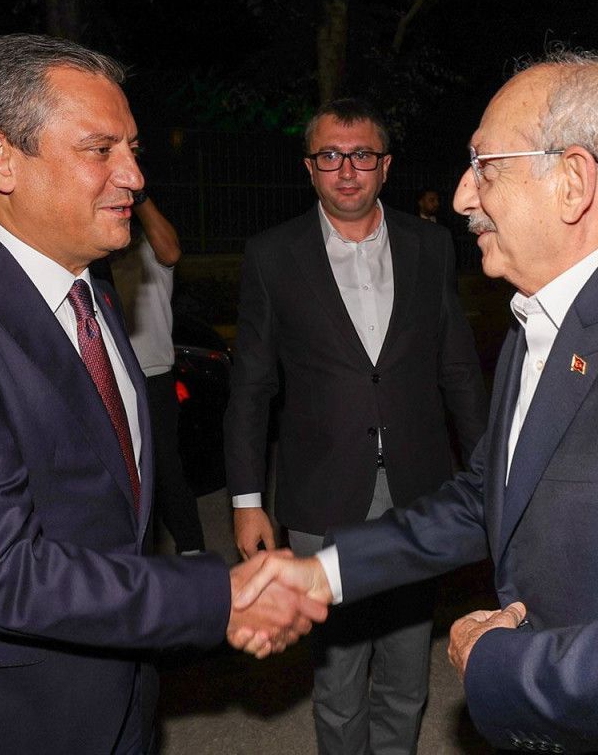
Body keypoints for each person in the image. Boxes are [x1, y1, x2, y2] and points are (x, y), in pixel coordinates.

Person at [237, 50, 598, 754]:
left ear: (572, 182)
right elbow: (488, 497)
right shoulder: (538, 319)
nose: (461, 197)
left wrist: (498, 662)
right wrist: (322, 573)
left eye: (485, 166)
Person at [0, 34, 324, 755]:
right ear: (0, 158)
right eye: (100, 150)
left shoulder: (88, 288)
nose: (134, 176)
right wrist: (217, 597)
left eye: (133, 149)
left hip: (116, 688)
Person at [224, 98, 488, 753]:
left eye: (362, 154)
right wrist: (247, 500)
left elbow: (459, 371)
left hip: (419, 488)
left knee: (405, 668)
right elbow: (251, 386)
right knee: (338, 676)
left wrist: (491, 476)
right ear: (309, 168)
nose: (347, 170)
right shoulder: (273, 254)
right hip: (322, 491)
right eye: (330, 156)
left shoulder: (429, 246)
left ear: (385, 165)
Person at [110, 189, 206, 554]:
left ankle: (193, 553)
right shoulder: (98, 252)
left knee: (164, 469)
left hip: (153, 377)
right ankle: (135, 561)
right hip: (110, 375)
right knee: (122, 474)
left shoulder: (150, 248)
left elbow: (172, 251)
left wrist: (140, 196)